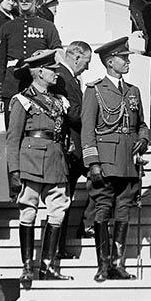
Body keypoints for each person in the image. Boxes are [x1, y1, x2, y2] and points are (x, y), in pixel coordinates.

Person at [81, 37, 149, 282]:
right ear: (110, 62)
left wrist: (144, 139)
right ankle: (103, 265)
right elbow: (87, 129)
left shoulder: (133, 91)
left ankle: (118, 265)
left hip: (128, 159)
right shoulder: (95, 90)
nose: (128, 61)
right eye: (124, 58)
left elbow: (141, 124)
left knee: (123, 211)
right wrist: (93, 162)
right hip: (106, 160)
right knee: (102, 209)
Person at [7, 50, 73, 284]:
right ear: (39, 72)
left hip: (56, 159)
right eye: (52, 70)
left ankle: (47, 267)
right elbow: (13, 138)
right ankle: (27, 267)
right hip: (31, 160)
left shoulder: (59, 101)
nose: (56, 74)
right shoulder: (22, 100)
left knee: (57, 210)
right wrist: (14, 171)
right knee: (28, 210)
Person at [0, 0, 62, 113]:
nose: (24, 1)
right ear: (16, 1)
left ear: (36, 1)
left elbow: (58, 54)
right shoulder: (7, 27)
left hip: (39, 87)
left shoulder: (47, 27)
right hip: (13, 85)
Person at [53, 41, 94, 256]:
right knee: (63, 200)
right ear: (76, 57)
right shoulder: (62, 77)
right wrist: (95, 116)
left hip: (77, 150)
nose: (87, 67)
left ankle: (82, 228)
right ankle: (59, 247)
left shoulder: (69, 77)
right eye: (86, 62)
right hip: (70, 150)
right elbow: (72, 114)